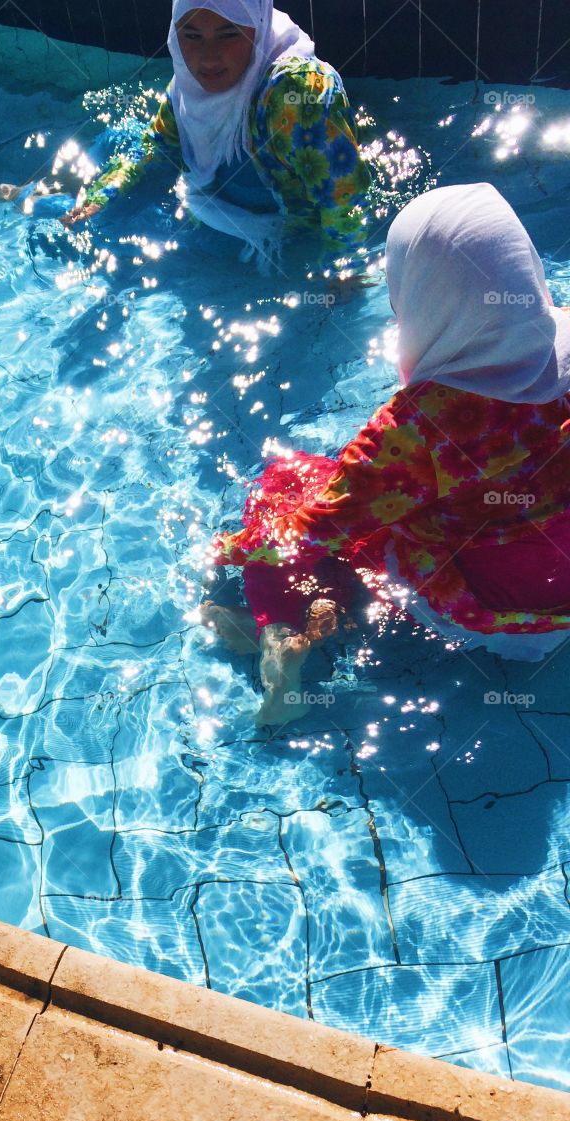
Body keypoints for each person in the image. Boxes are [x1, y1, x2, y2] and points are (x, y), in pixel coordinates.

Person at [203, 183, 570, 725]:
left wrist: (225, 552)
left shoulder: (416, 430)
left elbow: (311, 532)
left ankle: (278, 635)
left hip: (496, 609)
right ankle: (323, 611)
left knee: (287, 483)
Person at [0, 0, 371, 276]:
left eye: (228, 34)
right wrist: (102, 196)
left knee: (114, 235)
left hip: (251, 230)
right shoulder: (190, 82)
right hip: (210, 193)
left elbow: (344, 199)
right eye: (191, 36)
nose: (207, 58)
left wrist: (341, 270)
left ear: (258, 26)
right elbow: (160, 143)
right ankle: (38, 194)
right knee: (110, 175)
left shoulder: (297, 93)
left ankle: (25, 199)